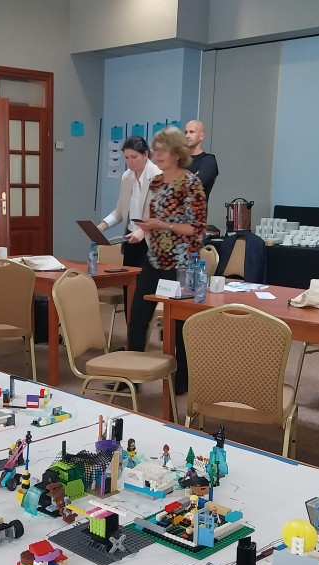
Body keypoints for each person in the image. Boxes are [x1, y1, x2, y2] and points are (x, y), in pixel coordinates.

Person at [128, 126, 208, 394]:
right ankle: (131, 376)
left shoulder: (191, 183)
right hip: (155, 258)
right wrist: (147, 226)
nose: (158, 155)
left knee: (179, 324)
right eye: (156, 150)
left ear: (177, 152)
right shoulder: (156, 182)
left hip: (181, 263)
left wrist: (161, 224)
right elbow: (155, 218)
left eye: (163, 150)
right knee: (138, 318)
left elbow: (196, 228)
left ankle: (182, 381)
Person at [97, 135, 160, 267]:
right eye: (126, 158)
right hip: (131, 237)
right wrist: (103, 225)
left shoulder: (157, 175)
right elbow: (120, 210)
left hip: (152, 240)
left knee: (146, 279)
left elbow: (162, 215)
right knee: (128, 278)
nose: (130, 162)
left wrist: (142, 231)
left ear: (145, 154)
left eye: (134, 157)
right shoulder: (126, 177)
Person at [184, 120, 218, 200]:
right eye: (185, 132)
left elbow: (197, 185)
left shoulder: (208, 161)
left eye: (192, 132)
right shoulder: (180, 160)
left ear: (201, 136)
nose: (187, 136)